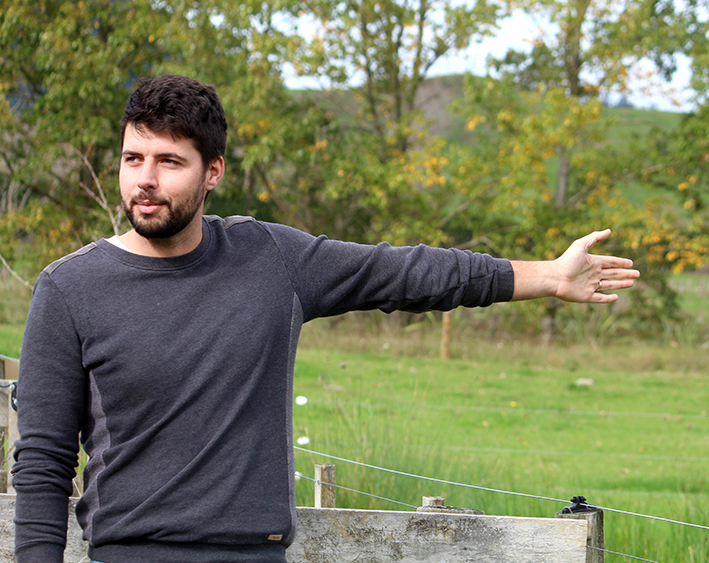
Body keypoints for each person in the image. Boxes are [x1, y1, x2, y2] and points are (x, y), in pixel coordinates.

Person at [12, 74, 640, 563]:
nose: (144, 181)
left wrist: (549, 277)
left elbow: (408, 274)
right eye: (132, 159)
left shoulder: (271, 260)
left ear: (213, 173)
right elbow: (42, 460)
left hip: (252, 554)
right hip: (130, 554)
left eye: (168, 162)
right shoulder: (70, 288)